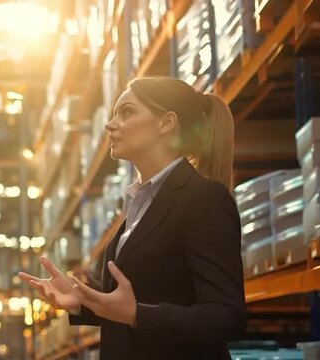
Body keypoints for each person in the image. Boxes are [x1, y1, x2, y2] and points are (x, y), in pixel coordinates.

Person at [20, 77, 246, 359]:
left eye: (126, 113)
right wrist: (82, 301)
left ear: (166, 123)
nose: (110, 124)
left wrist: (138, 314)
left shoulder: (203, 199)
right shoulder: (142, 204)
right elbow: (149, 295)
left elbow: (228, 318)